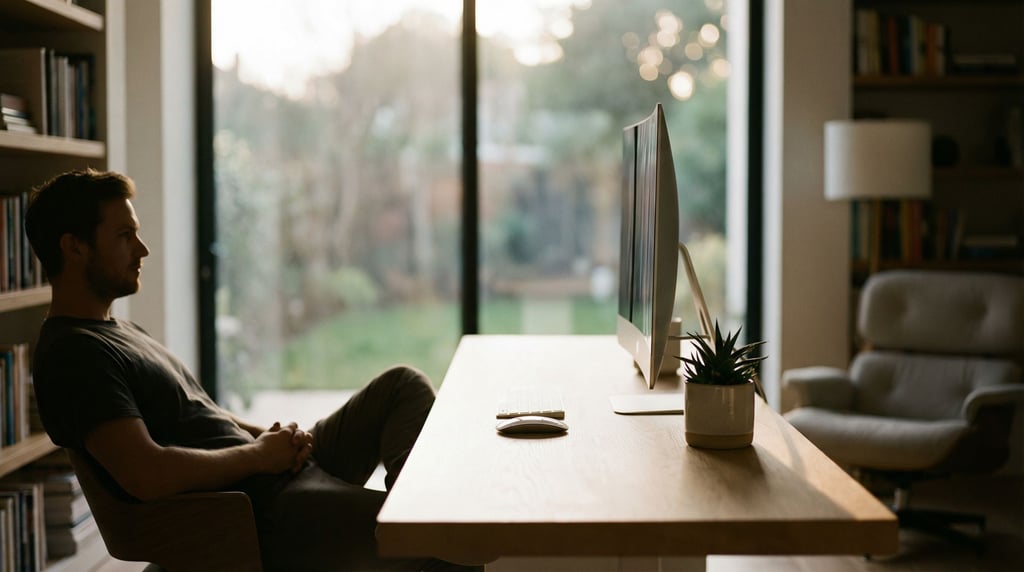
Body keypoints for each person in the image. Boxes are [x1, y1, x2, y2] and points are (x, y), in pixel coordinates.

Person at [24, 169, 465, 571]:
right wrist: (259, 456)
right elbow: (147, 473)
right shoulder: (74, 356)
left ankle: (424, 510)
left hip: (273, 474)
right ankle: (427, 522)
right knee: (450, 543)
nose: (142, 249)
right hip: (260, 512)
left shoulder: (117, 329)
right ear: (74, 247)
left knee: (402, 385)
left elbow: (201, 414)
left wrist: (275, 438)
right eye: (125, 235)